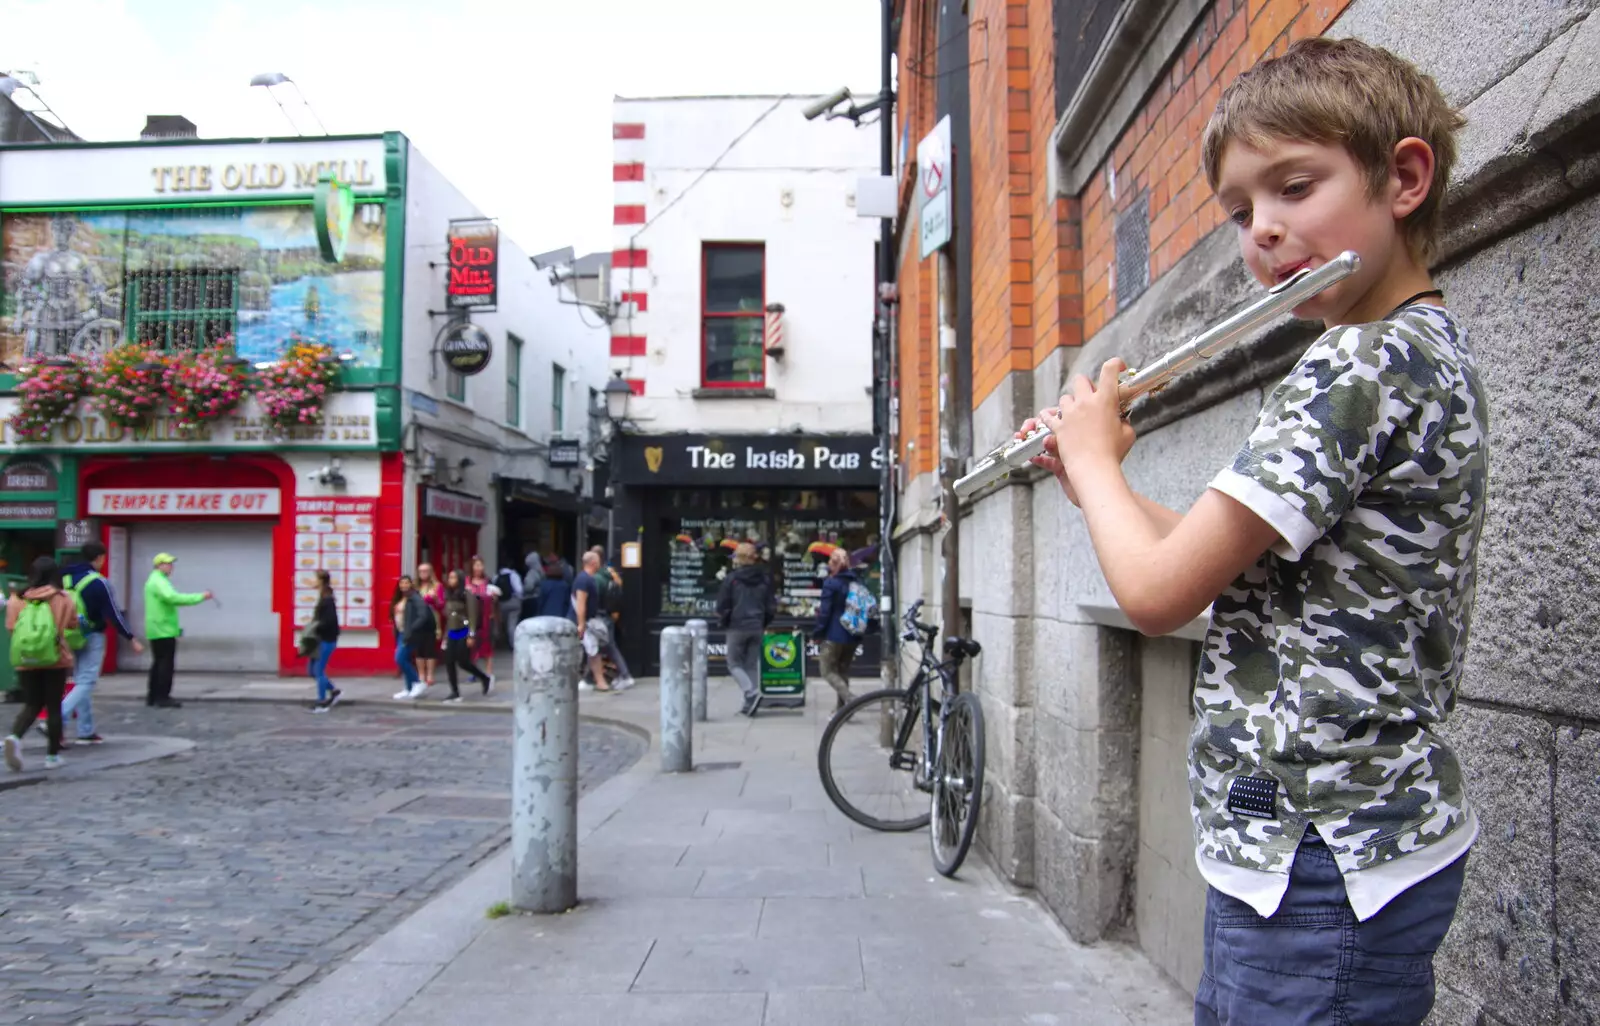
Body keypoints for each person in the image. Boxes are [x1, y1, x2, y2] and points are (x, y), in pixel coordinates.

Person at [1024, 38, 1480, 1026]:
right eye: (1240, 211)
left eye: (1294, 186)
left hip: (1322, 868)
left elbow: (1155, 597)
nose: (1262, 232)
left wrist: (1100, 460)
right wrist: (1088, 479)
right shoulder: (1412, 354)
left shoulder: (1353, 366)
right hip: (1316, 859)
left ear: (1402, 178)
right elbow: (1213, 561)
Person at [60, 540, 145, 744]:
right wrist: (130, 637)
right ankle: (58, 716)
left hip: (68, 633)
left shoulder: (64, 578)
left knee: (81, 680)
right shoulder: (98, 582)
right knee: (87, 680)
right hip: (91, 634)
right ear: (99, 558)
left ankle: (86, 730)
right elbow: (113, 613)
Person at [3, 557, 78, 772]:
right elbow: (72, 624)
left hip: (26, 659)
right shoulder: (63, 598)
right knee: (54, 706)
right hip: (55, 658)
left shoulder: (17, 599)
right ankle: (52, 756)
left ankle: (15, 736)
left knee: (32, 703)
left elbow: (10, 627)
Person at [143, 553, 212, 709]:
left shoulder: (155, 580)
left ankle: (153, 696)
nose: (171, 567)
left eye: (171, 564)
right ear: (159, 565)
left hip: (156, 628)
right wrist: (200, 597)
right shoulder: (159, 581)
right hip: (163, 629)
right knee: (165, 664)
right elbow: (173, 598)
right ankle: (162, 697)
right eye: (168, 563)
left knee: (158, 662)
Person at [716, 541, 775, 716]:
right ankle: (749, 705)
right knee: (751, 665)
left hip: (737, 626)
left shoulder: (731, 579)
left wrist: (723, 618)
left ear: (739, 558)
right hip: (757, 625)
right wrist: (763, 622)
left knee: (734, 664)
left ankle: (751, 692)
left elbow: (722, 605)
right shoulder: (764, 578)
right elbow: (771, 606)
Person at [812, 548, 866, 710]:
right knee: (842, 671)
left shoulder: (831, 583)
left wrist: (818, 632)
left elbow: (825, 612)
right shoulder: (857, 581)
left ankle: (849, 699)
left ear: (833, 565)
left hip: (834, 634)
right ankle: (842, 711)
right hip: (853, 633)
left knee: (827, 670)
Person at [439, 569, 492, 703]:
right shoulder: (448, 595)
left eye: (454, 578)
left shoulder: (467, 594)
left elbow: (472, 617)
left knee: (463, 662)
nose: (451, 581)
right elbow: (448, 617)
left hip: (464, 630)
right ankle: (455, 691)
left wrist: (471, 635)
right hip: (451, 632)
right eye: (449, 578)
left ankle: (484, 678)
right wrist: (445, 636)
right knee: (449, 661)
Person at [588, 545, 635, 690]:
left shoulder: (597, 577)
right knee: (598, 647)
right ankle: (590, 678)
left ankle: (625, 676)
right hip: (609, 614)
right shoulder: (610, 573)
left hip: (600, 615)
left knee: (602, 647)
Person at [571, 552, 612, 692]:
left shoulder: (587, 579)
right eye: (599, 561)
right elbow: (580, 603)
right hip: (585, 622)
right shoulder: (584, 580)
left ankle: (594, 680)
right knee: (593, 651)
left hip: (587, 621)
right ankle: (599, 681)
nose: (600, 564)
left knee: (592, 651)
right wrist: (581, 624)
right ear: (593, 563)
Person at [391, 575, 433, 700]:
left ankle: (418, 682)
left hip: (409, 634)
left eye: (406, 583)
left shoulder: (415, 597)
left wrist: (412, 628)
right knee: (404, 659)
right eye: (401, 583)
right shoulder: (400, 598)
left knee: (399, 659)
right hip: (400, 632)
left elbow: (423, 615)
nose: (404, 585)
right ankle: (408, 688)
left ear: (411, 584)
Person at [308, 570, 342, 713]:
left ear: (321, 581)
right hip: (320, 640)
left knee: (319, 670)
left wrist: (315, 626)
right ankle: (334, 691)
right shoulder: (323, 597)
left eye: (314, 579)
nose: (312, 582)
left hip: (326, 640)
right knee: (312, 670)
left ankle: (322, 702)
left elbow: (330, 622)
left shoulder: (327, 600)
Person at [466, 556, 500, 679]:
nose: (479, 568)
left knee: (487, 645)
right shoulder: (467, 581)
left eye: (481, 565)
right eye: (476, 565)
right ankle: (473, 672)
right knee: (472, 645)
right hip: (472, 617)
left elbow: (495, 599)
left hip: (487, 617)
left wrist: (494, 597)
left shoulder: (488, 581)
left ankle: (488, 672)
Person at [414, 562, 445, 691]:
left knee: (430, 648)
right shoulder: (415, 587)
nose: (423, 574)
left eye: (426, 571)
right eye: (421, 571)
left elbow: (442, 605)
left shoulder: (438, 586)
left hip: (432, 620)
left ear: (431, 572)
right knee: (419, 649)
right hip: (417, 621)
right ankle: (421, 675)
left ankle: (430, 675)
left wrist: (435, 599)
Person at [530, 556, 574, 620]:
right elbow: (567, 601)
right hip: (561, 614)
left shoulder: (544, 584)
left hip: (546, 614)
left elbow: (540, 601)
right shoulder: (565, 585)